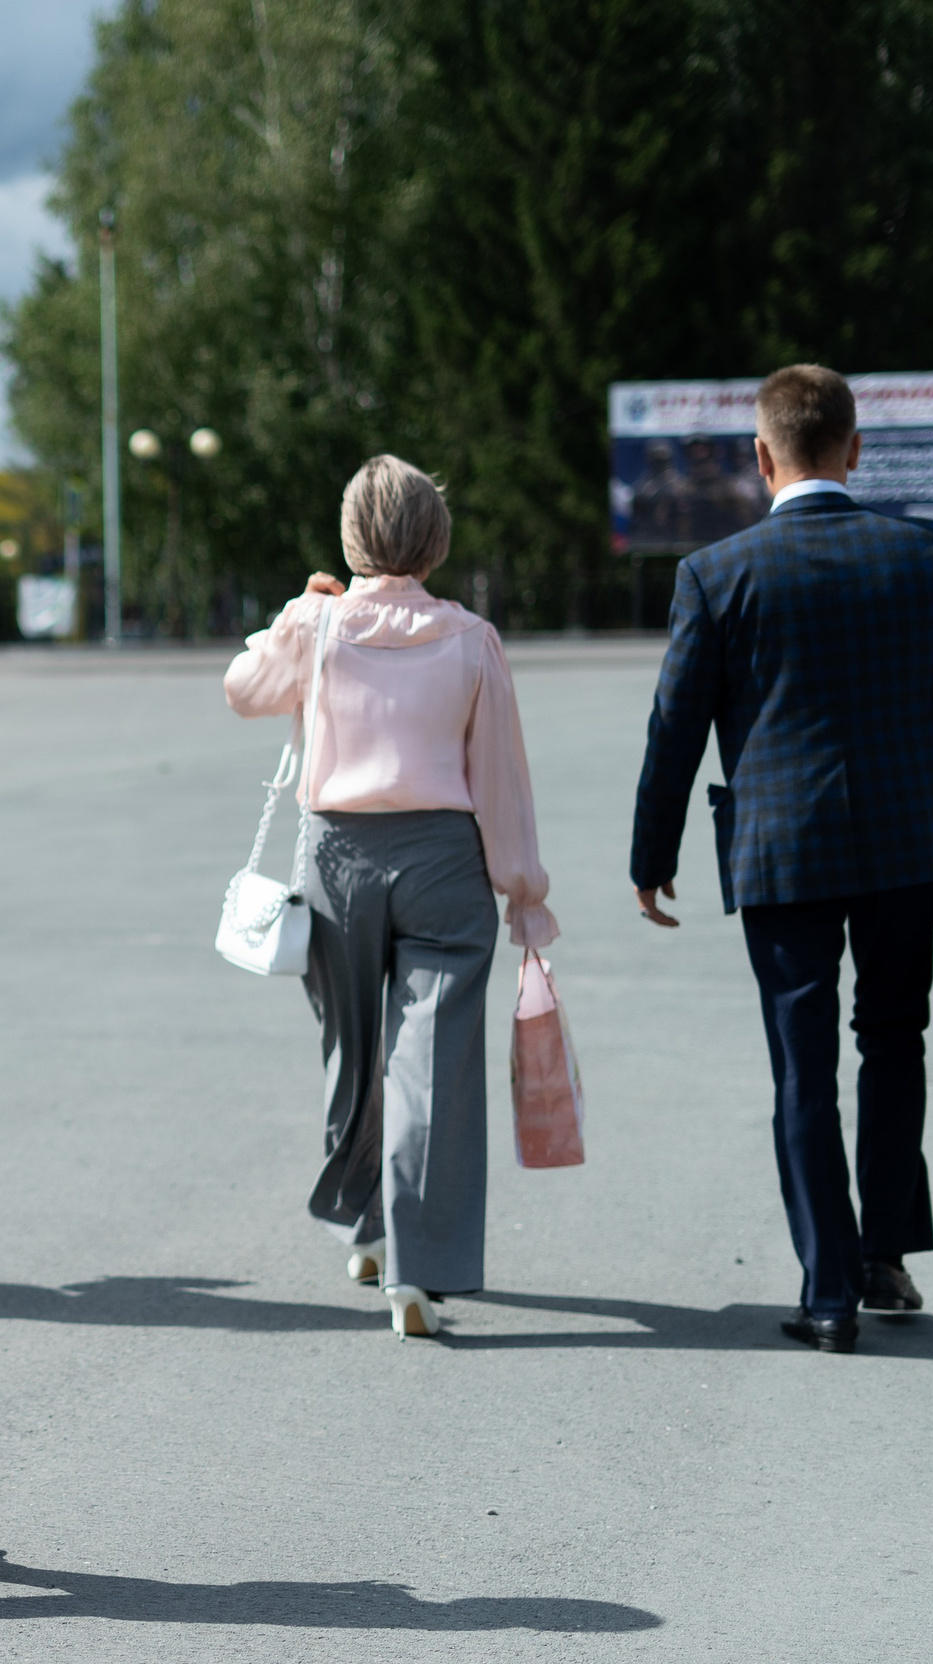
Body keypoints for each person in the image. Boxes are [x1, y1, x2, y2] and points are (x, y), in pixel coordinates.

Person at [629, 365, 933, 1355]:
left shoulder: (715, 574)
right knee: (894, 1038)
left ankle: (829, 1292)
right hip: (906, 845)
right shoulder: (923, 557)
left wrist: (650, 852)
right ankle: (885, 1255)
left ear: (760, 459)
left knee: (802, 1068)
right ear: (854, 449)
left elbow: (673, 728)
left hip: (779, 851)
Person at [225, 454, 559, 1342]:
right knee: (434, 1063)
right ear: (435, 540)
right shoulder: (472, 637)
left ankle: (364, 1221)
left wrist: (299, 609)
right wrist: (523, 894)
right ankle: (418, 1265)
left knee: (354, 1050)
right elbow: (502, 782)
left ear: (351, 536)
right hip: (446, 859)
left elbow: (243, 690)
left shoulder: (319, 625)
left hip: (335, 855)